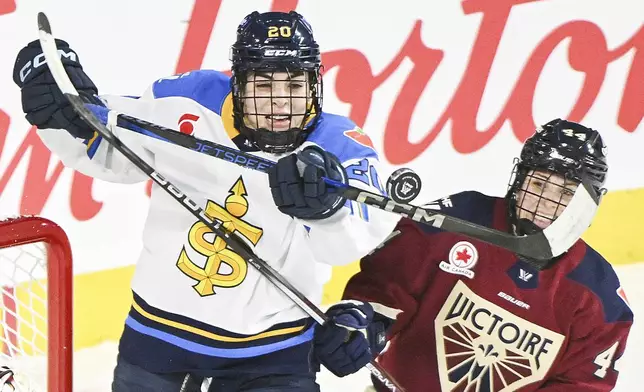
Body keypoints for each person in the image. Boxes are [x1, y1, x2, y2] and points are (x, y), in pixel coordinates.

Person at [13, 10, 399, 392]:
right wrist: (57, 111)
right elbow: (106, 146)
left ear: (314, 82)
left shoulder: (339, 146)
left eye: (294, 83)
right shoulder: (186, 102)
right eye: (263, 84)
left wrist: (326, 214)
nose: (281, 101)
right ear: (238, 82)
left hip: (274, 357)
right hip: (157, 342)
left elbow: (352, 241)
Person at [329, 119, 634, 391]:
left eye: (567, 193)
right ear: (519, 180)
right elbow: (385, 290)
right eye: (539, 184)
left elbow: (581, 385)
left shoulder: (600, 299)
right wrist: (364, 323)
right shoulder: (456, 223)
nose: (546, 204)